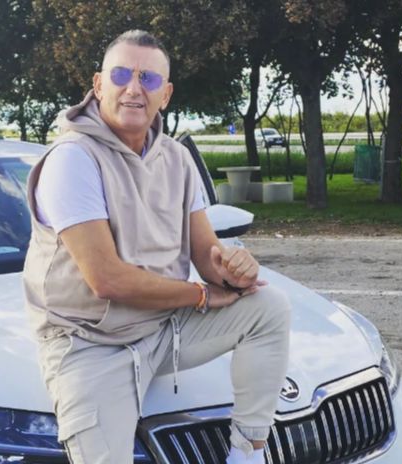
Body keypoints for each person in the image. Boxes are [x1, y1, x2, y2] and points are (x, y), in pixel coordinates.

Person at [22, 30, 291, 464]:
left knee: (269, 306)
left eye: (147, 79)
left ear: (164, 95)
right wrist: (201, 294)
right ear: (98, 85)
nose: (133, 88)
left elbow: (206, 253)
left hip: (164, 327)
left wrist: (233, 269)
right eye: (121, 75)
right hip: (90, 342)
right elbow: (107, 280)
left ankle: (247, 452)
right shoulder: (73, 158)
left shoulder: (177, 159)